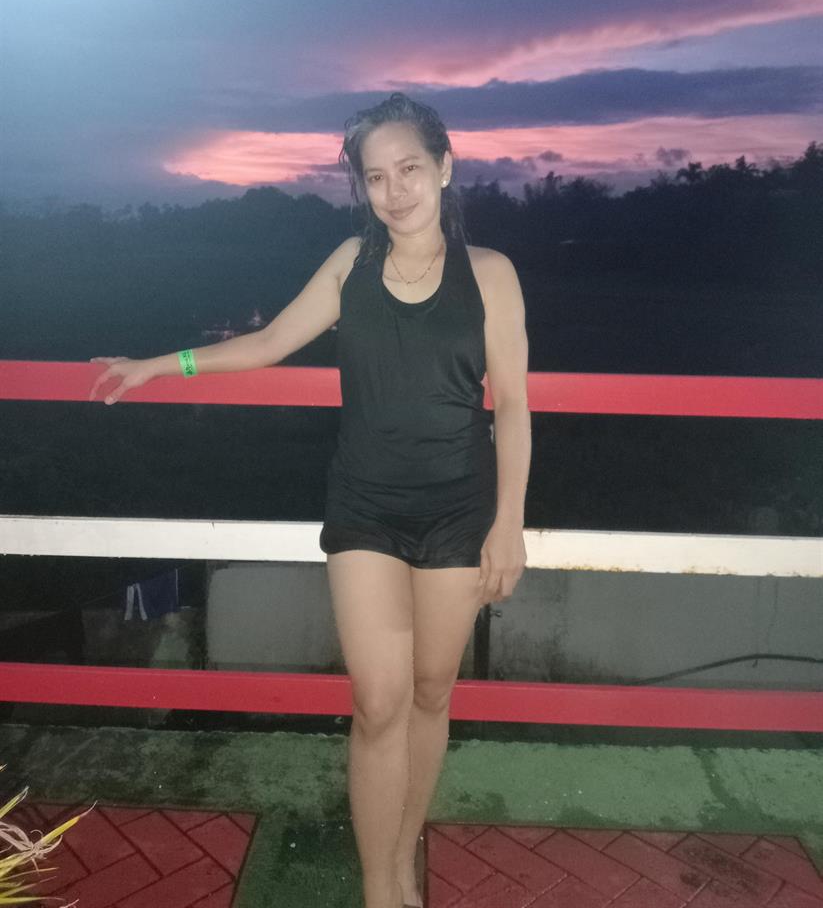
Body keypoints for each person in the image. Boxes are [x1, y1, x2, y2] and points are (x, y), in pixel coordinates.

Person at [89, 92, 531, 908]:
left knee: (431, 692)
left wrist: (509, 525)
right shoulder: (350, 264)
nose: (394, 190)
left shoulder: (491, 274)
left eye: (409, 168)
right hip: (364, 508)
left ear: (444, 167)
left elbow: (512, 406)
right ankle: (378, 888)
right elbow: (268, 342)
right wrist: (160, 365)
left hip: (458, 511)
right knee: (378, 703)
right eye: (375, 177)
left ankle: (404, 858)